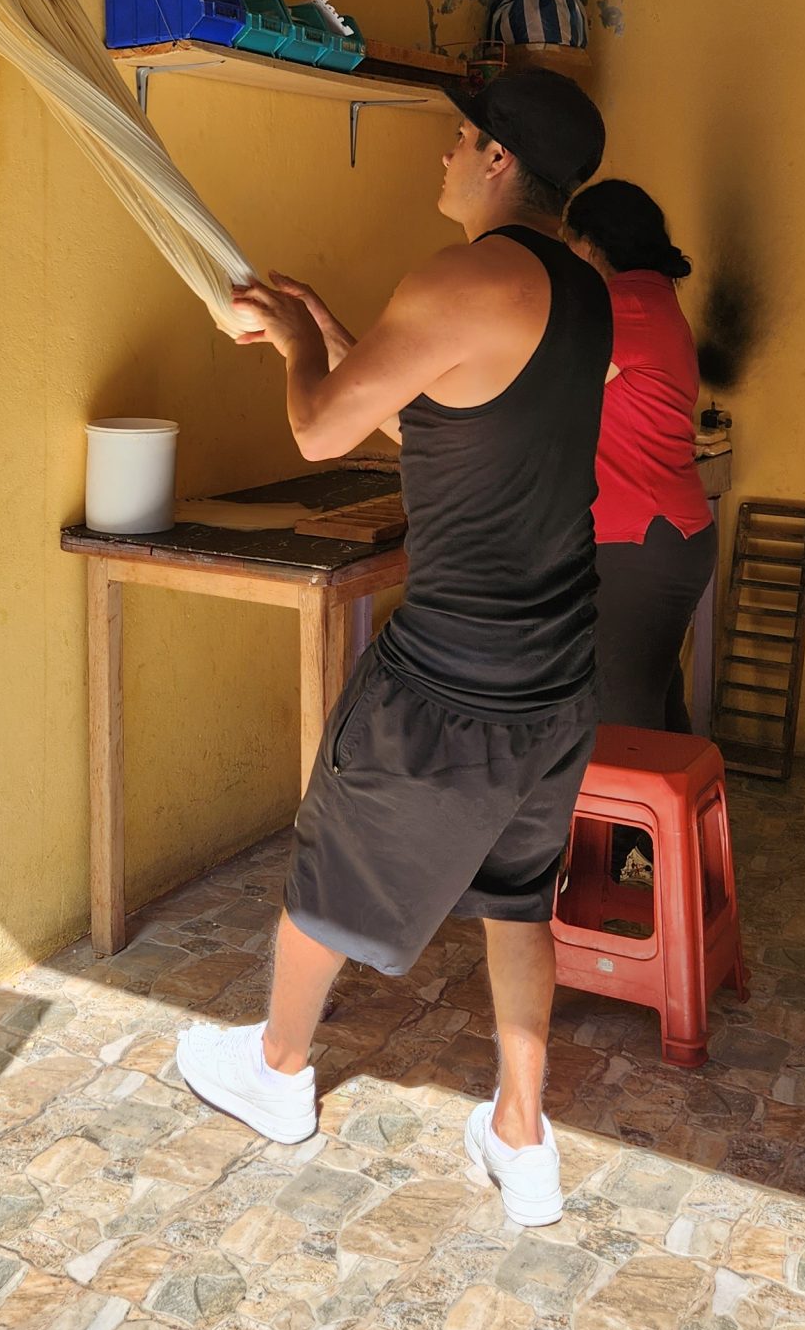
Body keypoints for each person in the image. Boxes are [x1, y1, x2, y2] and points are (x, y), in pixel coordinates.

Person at [176, 68, 610, 1226]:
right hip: (554, 668)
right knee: (516, 899)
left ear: (501, 162)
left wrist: (283, 347)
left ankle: (274, 1071)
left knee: (330, 867)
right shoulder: (581, 288)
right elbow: (452, 396)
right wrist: (336, 336)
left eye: (461, 139)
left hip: (451, 676)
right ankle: (522, 1138)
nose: (445, 157)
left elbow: (321, 430)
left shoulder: (462, 275)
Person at [563, 179, 715, 733]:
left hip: (642, 539)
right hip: (661, 536)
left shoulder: (621, 303)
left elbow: (531, 354)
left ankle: (637, 822)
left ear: (591, 246)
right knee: (653, 706)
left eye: (567, 243)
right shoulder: (650, 298)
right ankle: (679, 818)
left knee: (622, 728)